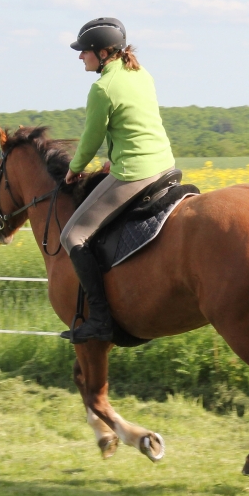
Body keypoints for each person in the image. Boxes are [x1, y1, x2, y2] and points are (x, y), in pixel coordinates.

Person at [59, 17, 176, 343]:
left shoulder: (102, 88)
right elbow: (134, 123)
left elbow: (91, 139)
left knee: (73, 235)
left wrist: (74, 169)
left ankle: (100, 320)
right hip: (165, 165)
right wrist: (115, 154)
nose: (80, 56)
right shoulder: (140, 73)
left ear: (101, 53)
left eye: (84, 51)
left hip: (135, 173)